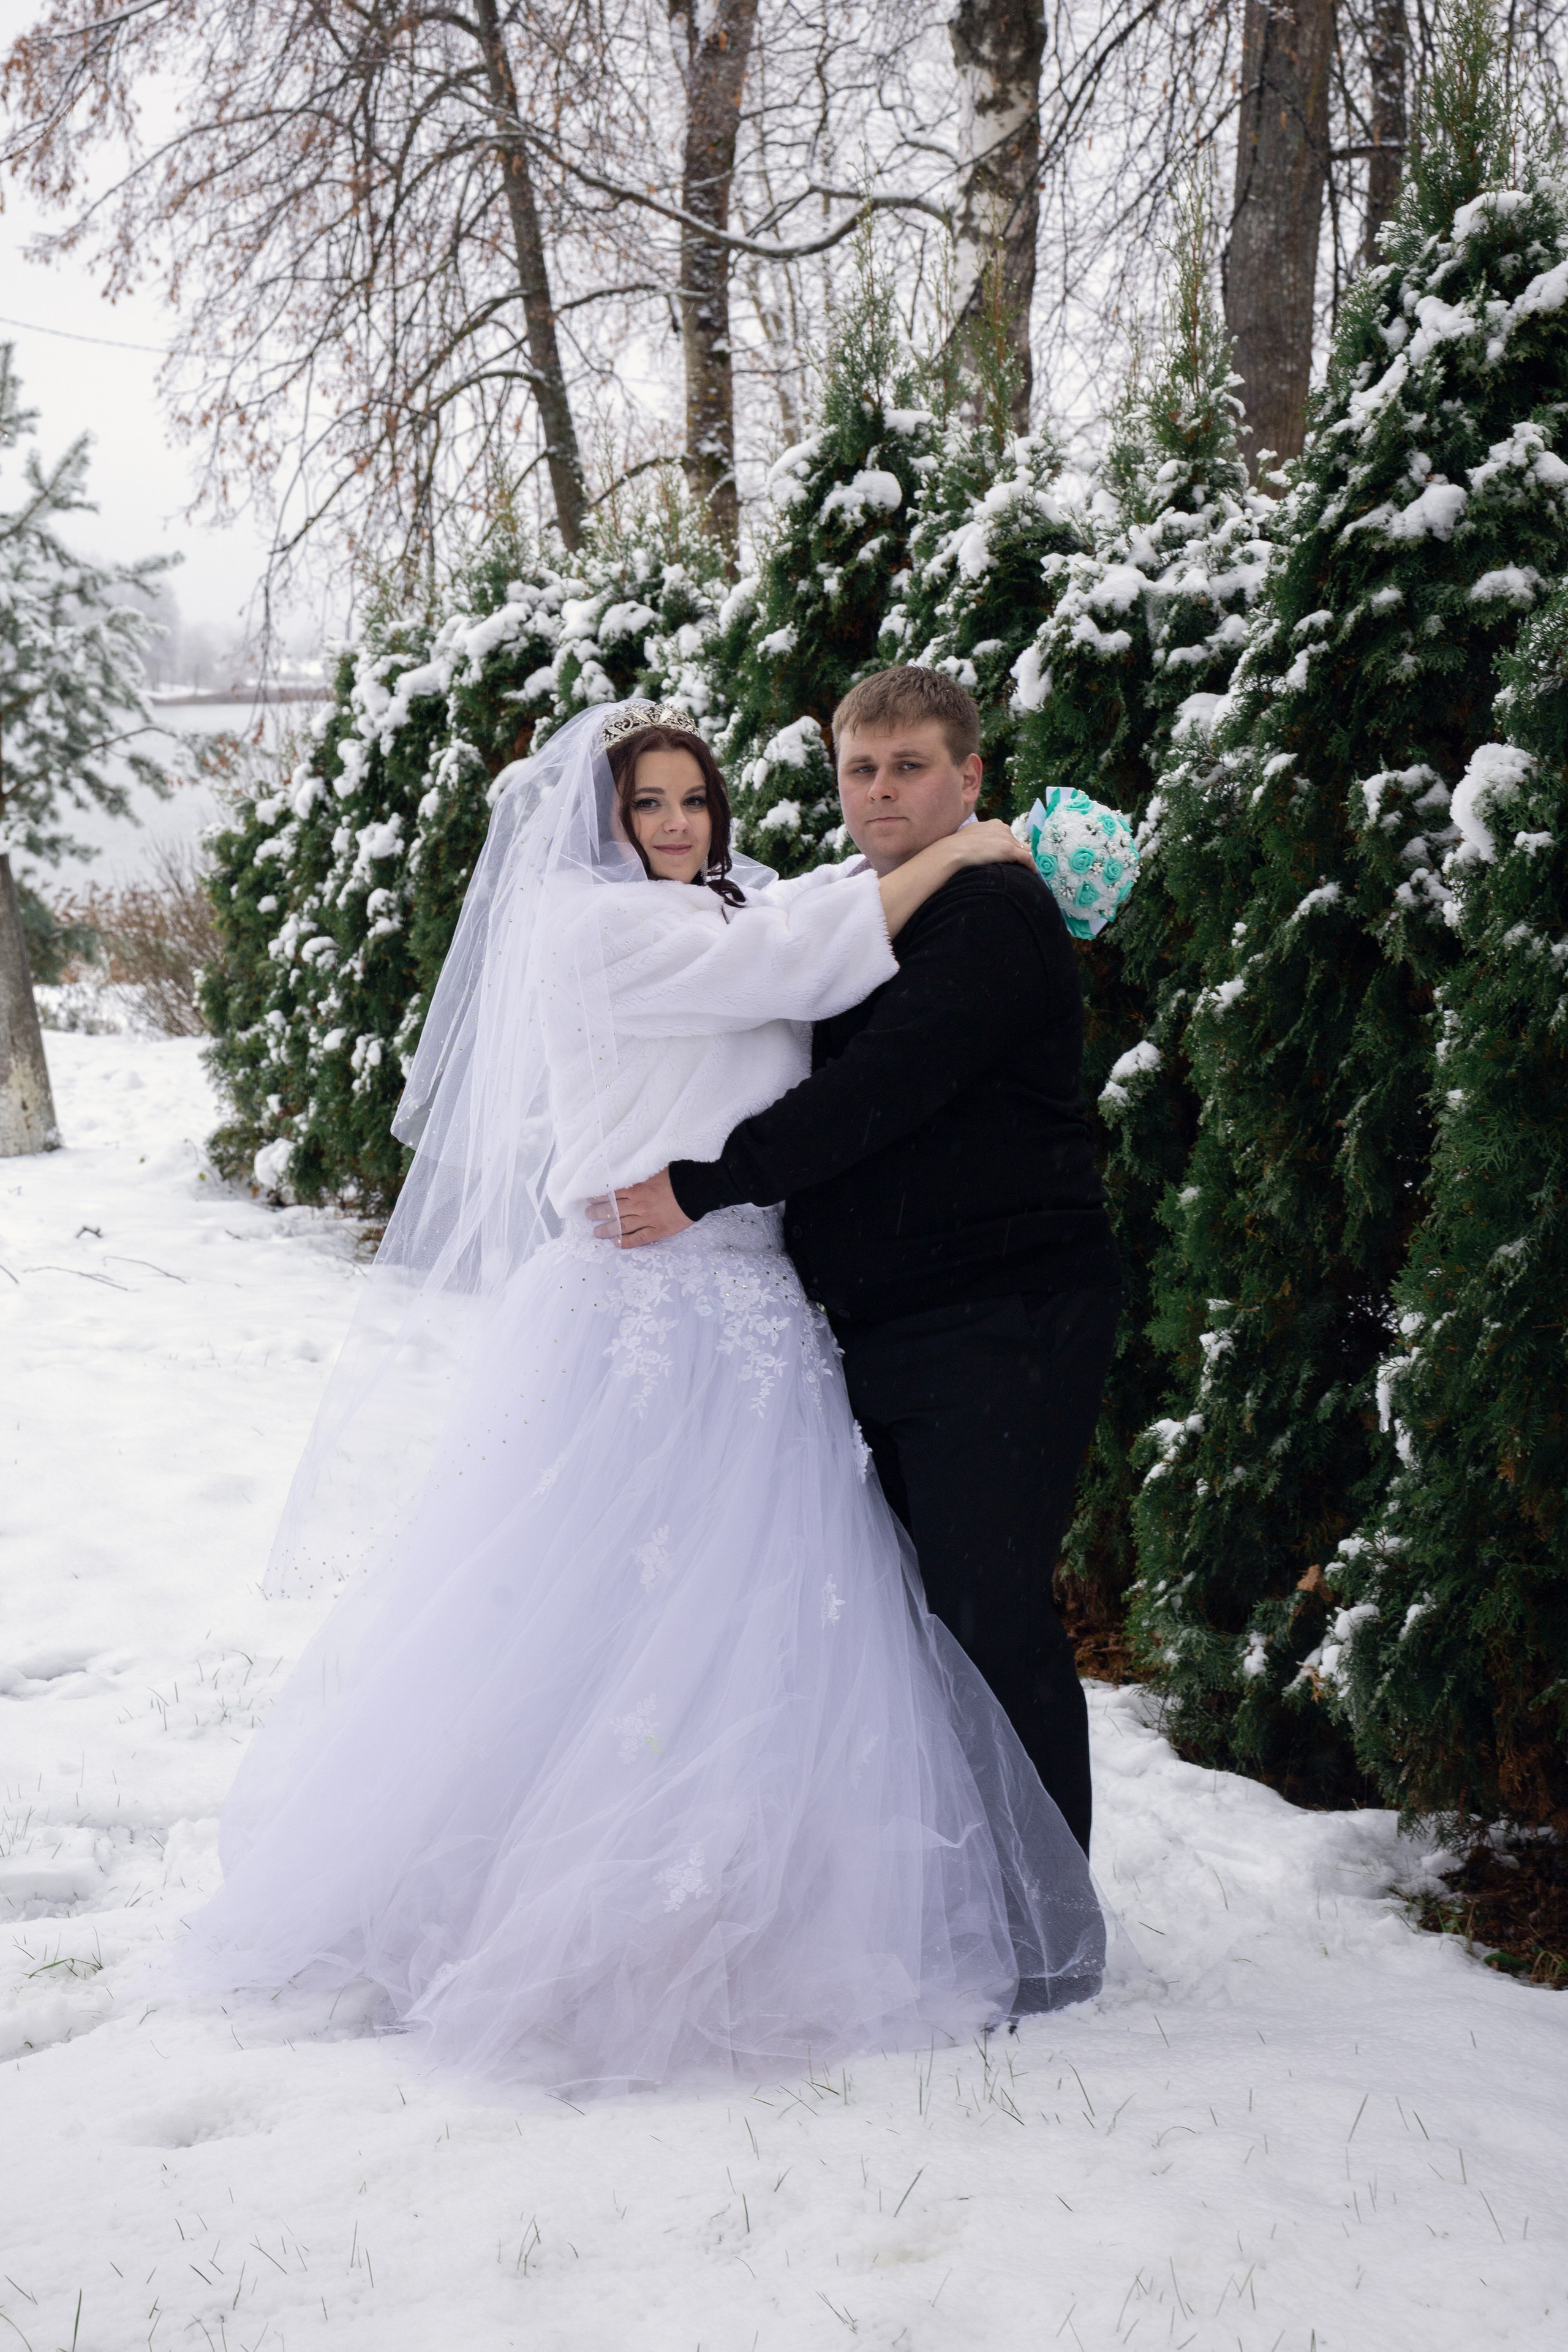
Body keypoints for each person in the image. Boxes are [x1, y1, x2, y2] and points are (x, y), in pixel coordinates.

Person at [168, 699, 1107, 2095]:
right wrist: (974, 846)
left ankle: (817, 1887)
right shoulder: (595, 926)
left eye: (693, 799)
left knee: (778, 1625)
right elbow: (793, 953)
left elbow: (805, 918)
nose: (674, 823)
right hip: (648, 1309)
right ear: (596, 824)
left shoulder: (726, 904)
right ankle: (565, 1899)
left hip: (760, 1314)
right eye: (644, 804)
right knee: (617, 1616)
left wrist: (971, 853)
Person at [604, 668, 1121, 1870]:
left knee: (988, 1618)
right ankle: (961, 1891)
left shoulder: (988, 912)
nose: (881, 790)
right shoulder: (869, 901)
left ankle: (1043, 1926)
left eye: (910, 767)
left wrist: (700, 1185)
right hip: (894, 1318)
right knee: (913, 1624)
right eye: (861, 769)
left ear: (969, 778)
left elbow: (876, 1092)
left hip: (1000, 1316)